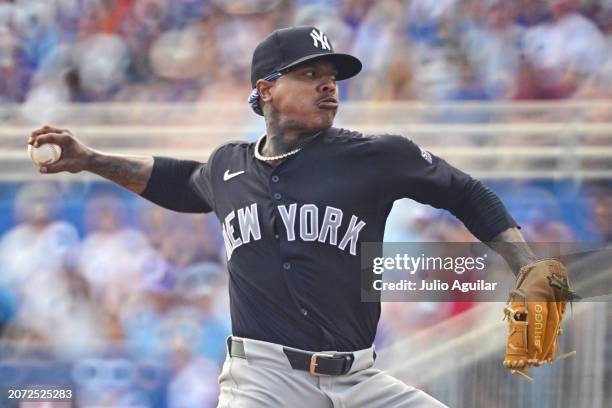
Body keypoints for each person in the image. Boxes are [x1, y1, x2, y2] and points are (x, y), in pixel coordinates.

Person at [29, 26, 547, 408]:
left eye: (332, 76)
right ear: (265, 89)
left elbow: (466, 192)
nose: (329, 85)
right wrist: (89, 159)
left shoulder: (375, 155)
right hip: (263, 383)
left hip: (360, 380)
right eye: (310, 74)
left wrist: (526, 265)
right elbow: (177, 181)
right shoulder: (229, 166)